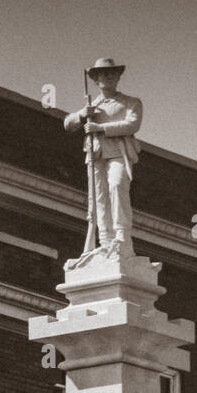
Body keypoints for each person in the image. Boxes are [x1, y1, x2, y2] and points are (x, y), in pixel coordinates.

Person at [64, 57, 142, 254]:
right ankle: (105, 239)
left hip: (119, 152)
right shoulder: (92, 106)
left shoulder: (130, 102)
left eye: (111, 73)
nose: (108, 77)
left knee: (117, 185)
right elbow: (68, 124)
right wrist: (82, 114)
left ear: (117, 78)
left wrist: (100, 127)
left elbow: (132, 124)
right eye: (103, 74)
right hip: (95, 154)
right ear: (96, 80)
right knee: (98, 196)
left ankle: (121, 235)